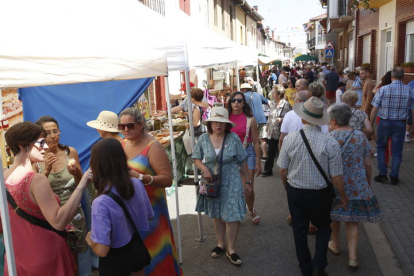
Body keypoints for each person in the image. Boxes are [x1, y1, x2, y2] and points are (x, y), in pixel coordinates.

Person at [3, 122, 91, 275]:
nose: (45, 147)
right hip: (46, 253)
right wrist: (82, 184)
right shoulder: (36, 180)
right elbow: (58, 221)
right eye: (41, 142)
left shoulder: (4, 177)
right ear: (23, 145)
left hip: (17, 255)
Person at [277, 97, 348, 276]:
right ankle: (319, 264)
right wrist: (343, 196)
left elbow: (283, 169)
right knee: (324, 227)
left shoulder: (290, 139)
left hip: (296, 192)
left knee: (299, 230)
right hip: (320, 193)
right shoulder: (330, 142)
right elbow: (336, 177)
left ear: (302, 118)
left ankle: (305, 268)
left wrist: (286, 184)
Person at [119, 107, 182, 275]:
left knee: (156, 251)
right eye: (122, 126)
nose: (126, 129)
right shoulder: (121, 144)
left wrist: (141, 178)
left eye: (130, 125)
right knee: (137, 256)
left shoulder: (153, 147)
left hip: (152, 211)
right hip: (130, 210)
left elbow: (167, 180)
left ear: (141, 124)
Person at [192, 107, 252, 266]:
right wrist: (204, 168)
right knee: (217, 213)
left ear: (227, 125)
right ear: (210, 123)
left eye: (222, 123)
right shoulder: (204, 138)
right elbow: (196, 158)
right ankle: (220, 244)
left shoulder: (233, 139)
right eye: (215, 122)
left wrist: (248, 182)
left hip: (232, 181)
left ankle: (231, 249)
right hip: (212, 182)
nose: (218, 125)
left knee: (232, 213)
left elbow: (243, 161)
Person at [85, 138, 153, 276]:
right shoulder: (136, 184)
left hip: (115, 263)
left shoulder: (101, 203)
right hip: (136, 251)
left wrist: (90, 241)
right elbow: (148, 216)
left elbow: (102, 250)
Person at [327, 103, 383, 269]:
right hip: (357, 185)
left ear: (334, 121)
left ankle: (335, 244)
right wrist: (367, 183)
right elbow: (367, 164)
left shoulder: (329, 138)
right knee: (353, 221)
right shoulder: (360, 136)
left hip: (336, 185)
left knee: (334, 217)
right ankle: (353, 257)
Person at [35, 116, 88, 263]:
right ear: (40, 137)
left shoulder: (70, 153)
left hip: (73, 213)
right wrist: (46, 171)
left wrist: (77, 174)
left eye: (55, 131)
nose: (53, 136)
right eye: (47, 133)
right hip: (50, 216)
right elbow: (34, 192)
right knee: (55, 258)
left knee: (74, 258)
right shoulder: (36, 158)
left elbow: (80, 186)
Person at [370, 67, 414, 185]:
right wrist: (412, 125)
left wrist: (370, 125)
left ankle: (382, 174)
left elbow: (374, 109)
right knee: (397, 150)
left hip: (385, 122)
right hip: (400, 123)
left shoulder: (383, 89)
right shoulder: (408, 90)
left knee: (381, 147)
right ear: (403, 77)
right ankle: (394, 176)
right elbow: (412, 110)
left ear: (391, 76)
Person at [228, 92, 262, 224]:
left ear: (243, 103)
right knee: (233, 186)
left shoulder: (250, 119)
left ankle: (251, 209)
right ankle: (236, 211)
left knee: (248, 188)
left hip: (247, 152)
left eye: (239, 100)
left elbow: (256, 141)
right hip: (230, 154)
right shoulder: (226, 118)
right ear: (230, 103)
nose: (236, 103)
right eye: (233, 100)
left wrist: (259, 162)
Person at [262, 85, 291, 177]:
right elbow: (270, 116)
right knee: (271, 151)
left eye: (274, 92)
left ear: (279, 94)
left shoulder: (286, 104)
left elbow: (289, 117)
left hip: (282, 132)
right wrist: (267, 125)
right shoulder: (272, 103)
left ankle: (287, 170)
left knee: (283, 151)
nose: (272, 94)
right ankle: (268, 169)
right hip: (272, 131)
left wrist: (281, 119)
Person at [240, 82, 269, 162]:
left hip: (251, 119)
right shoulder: (257, 94)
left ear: (244, 89)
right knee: (262, 138)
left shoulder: (243, 96)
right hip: (262, 118)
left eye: (242, 89)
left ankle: (255, 155)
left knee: (253, 139)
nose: (241, 91)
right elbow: (267, 102)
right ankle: (265, 155)